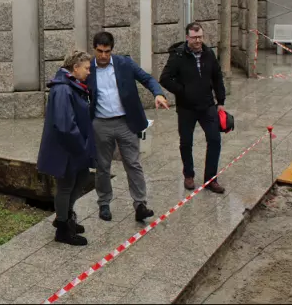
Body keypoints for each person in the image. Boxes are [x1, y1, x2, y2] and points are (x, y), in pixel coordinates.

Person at [87, 32, 170, 223]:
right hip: (100, 123)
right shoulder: (88, 68)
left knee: (133, 163)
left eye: (107, 51)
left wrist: (158, 94)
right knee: (102, 166)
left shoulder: (124, 63)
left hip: (126, 122)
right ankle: (104, 202)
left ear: (112, 50)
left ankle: (140, 204)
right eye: (99, 51)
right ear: (94, 49)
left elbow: (147, 79)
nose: (103, 56)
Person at [37, 50, 97, 246]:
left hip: (75, 147)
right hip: (67, 149)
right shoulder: (63, 89)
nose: (89, 72)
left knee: (81, 179)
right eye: (87, 68)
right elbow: (65, 125)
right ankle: (63, 228)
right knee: (66, 185)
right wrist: (81, 147)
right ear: (75, 67)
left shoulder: (72, 85)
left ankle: (65, 216)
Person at [159, 22, 227, 194]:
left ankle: (211, 179)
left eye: (200, 37)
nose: (198, 41)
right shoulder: (178, 55)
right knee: (186, 142)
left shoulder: (208, 53)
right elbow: (165, 78)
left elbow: (217, 77)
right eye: (194, 37)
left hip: (207, 106)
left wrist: (221, 101)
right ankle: (188, 175)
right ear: (187, 37)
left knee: (214, 140)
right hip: (186, 108)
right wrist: (182, 91)